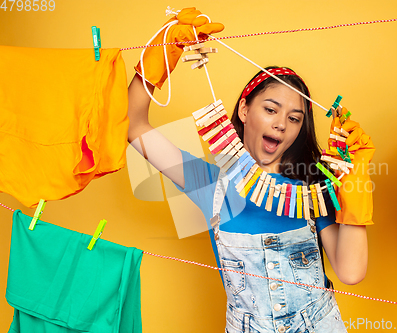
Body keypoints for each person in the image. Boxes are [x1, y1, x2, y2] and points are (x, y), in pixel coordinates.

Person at [128, 8, 370, 333]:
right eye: (270, 109)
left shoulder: (312, 186)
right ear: (244, 109)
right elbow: (134, 126)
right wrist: (161, 53)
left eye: (295, 118)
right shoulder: (208, 183)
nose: (281, 124)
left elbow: (351, 272)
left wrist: (356, 180)